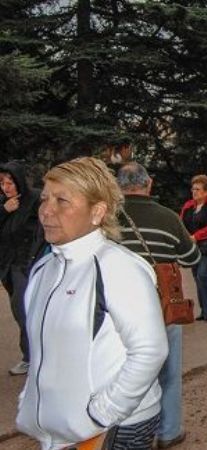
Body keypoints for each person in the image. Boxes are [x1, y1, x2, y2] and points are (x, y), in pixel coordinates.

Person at [17, 157, 168, 449]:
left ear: (97, 211)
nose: (46, 210)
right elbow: (42, 350)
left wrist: (102, 413)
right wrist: (30, 399)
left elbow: (151, 350)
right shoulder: (43, 270)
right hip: (60, 431)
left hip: (112, 428)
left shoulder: (118, 267)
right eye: (45, 198)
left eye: (62, 200)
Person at [117, 162, 200, 449]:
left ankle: (123, 431)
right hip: (161, 308)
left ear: (119, 186)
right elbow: (192, 258)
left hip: (115, 313)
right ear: (148, 184)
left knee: (121, 371)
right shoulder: (167, 217)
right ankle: (168, 431)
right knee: (168, 373)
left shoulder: (106, 218)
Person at [0, 161, 41, 376]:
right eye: (2, 183)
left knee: (23, 311)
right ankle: (32, 356)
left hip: (26, 265)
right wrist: (4, 211)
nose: (6, 187)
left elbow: (41, 232)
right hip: (7, 267)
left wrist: (32, 259)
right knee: (20, 313)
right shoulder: (4, 203)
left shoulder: (35, 199)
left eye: (10, 182)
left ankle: (31, 358)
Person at [180, 175, 207, 321]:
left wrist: (196, 236)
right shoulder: (188, 206)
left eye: (198, 189)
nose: (194, 191)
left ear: (206, 191)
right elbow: (181, 224)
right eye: (193, 189)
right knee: (197, 276)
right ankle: (204, 310)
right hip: (193, 248)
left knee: (202, 274)